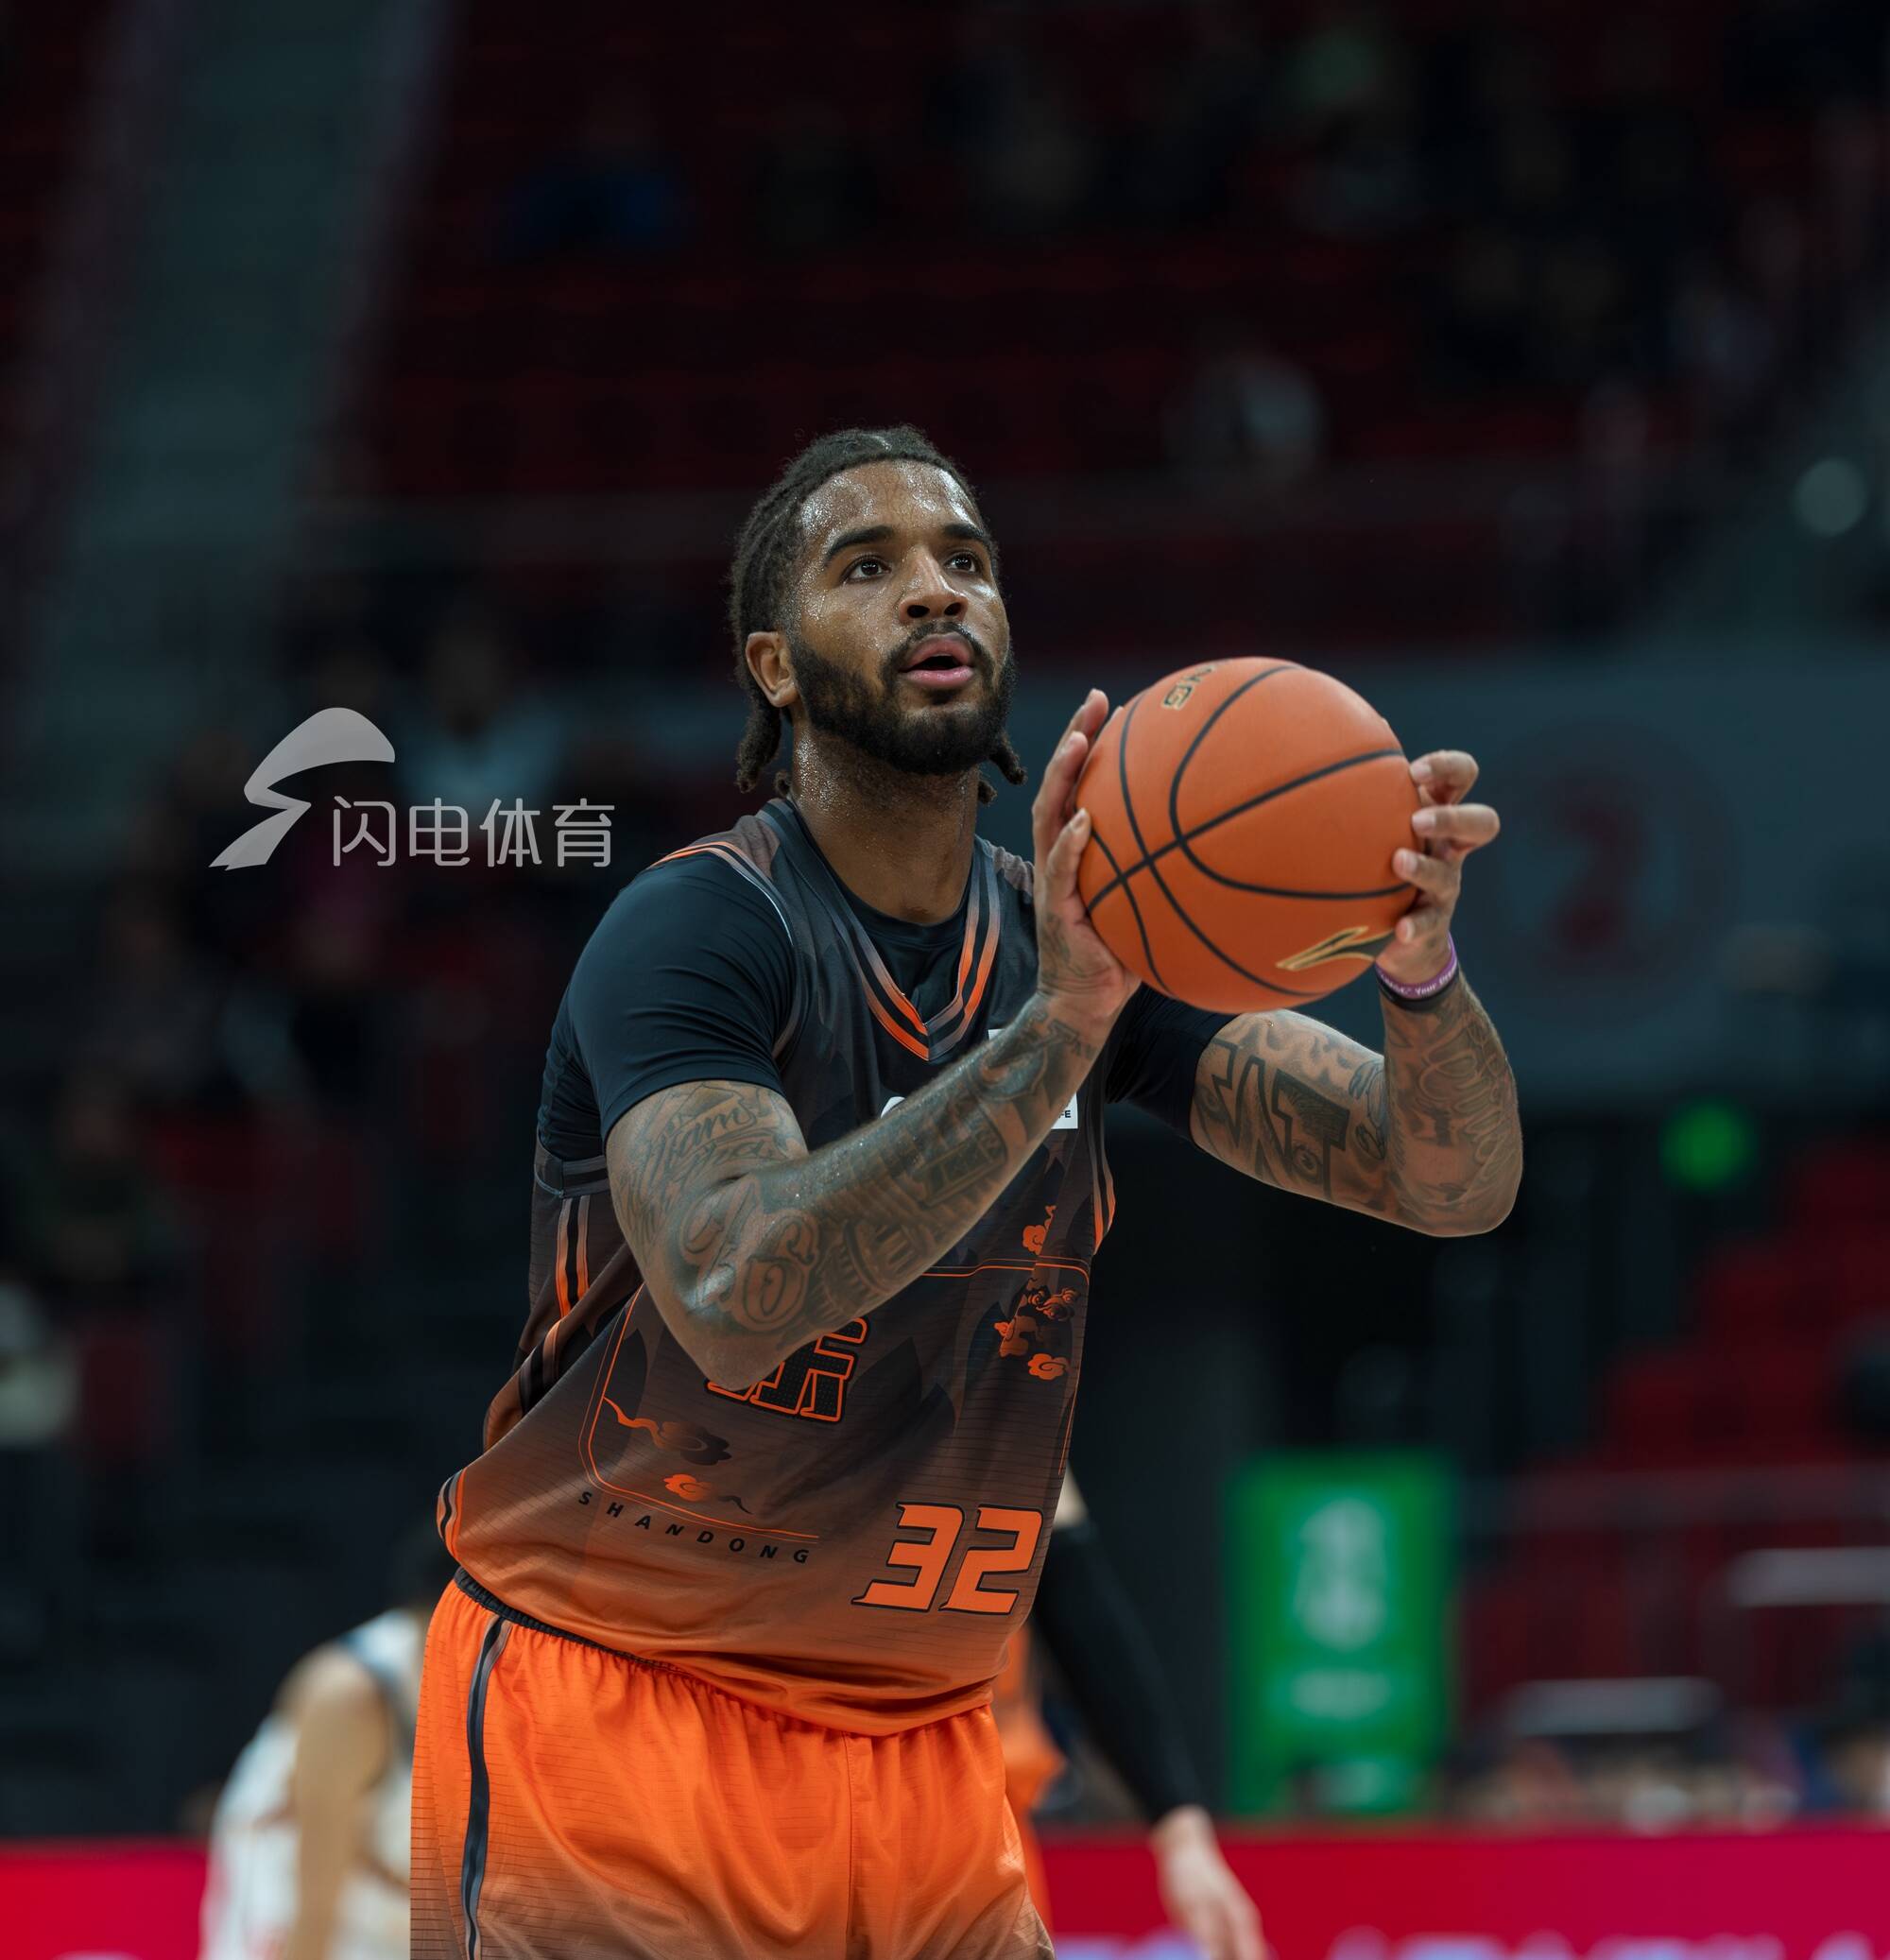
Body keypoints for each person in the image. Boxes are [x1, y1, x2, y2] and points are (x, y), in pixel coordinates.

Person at [413, 424, 1520, 1960]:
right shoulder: (701, 929)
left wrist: (1418, 967)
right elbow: (735, 1291)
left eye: (966, 560)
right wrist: (1055, 1032)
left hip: (925, 1746)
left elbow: (1447, 1175)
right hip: (626, 1704)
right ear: (775, 665)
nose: (935, 589)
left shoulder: (1083, 949)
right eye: (867, 566)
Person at [999, 1476, 1264, 1960]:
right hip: (847, 1818)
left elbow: (1076, 1600)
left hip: (986, 1831)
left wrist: (1180, 1832)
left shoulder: (1019, 1431)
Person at [198, 1521, 456, 1960]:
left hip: (399, 1901)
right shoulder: (350, 1697)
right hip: (304, 1904)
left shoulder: (519, 1675)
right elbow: (314, 1909)